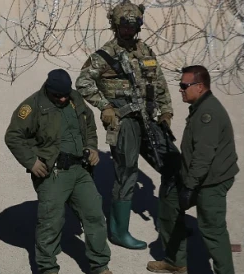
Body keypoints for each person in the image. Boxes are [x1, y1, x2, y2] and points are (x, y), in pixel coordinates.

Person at [75, 0, 181, 250]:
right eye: (124, 26)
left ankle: (170, 222)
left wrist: (166, 112)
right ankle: (119, 232)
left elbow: (160, 83)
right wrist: (106, 106)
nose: (129, 31)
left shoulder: (145, 51)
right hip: (124, 123)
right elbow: (83, 83)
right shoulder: (104, 56)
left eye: (134, 26)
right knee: (127, 174)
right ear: (115, 26)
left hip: (150, 119)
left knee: (173, 165)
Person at [4, 69, 119, 274]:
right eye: (58, 96)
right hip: (53, 173)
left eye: (65, 95)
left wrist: (92, 147)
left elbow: (90, 124)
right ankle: (48, 269)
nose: (63, 99)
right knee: (50, 221)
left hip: (80, 169)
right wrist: (31, 162)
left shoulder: (75, 99)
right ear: (49, 89)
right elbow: (13, 136)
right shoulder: (33, 106)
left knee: (94, 214)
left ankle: (100, 265)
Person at [153, 65, 239, 274]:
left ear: (199, 87)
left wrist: (189, 188)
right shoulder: (200, 108)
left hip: (210, 182)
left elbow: (204, 155)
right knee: (169, 204)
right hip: (196, 177)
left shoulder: (207, 114)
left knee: (213, 231)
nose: (180, 90)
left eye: (184, 86)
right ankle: (175, 261)